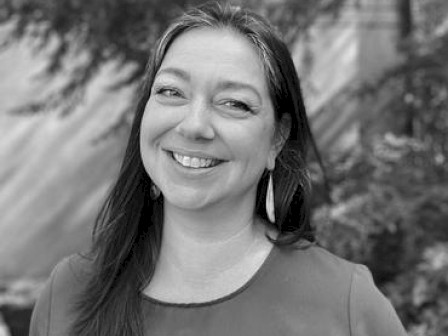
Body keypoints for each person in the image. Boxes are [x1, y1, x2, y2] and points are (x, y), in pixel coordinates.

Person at [29, 2, 408, 336]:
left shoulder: (346, 305)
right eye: (171, 92)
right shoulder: (69, 293)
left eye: (234, 103)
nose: (194, 125)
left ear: (277, 138)